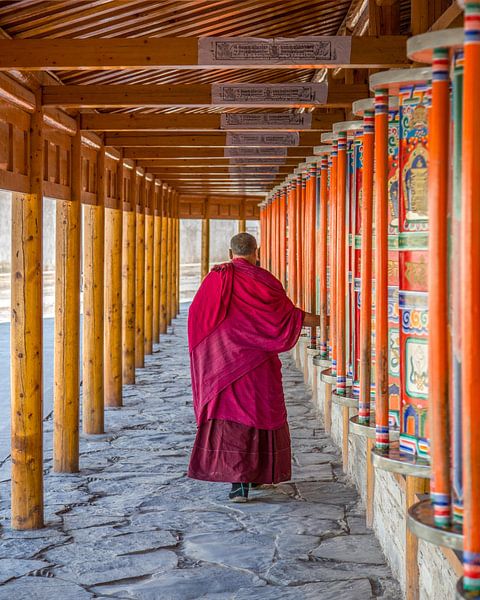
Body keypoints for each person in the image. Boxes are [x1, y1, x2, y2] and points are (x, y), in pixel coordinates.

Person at [187, 232, 320, 502]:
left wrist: (217, 352)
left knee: (233, 419)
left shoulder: (215, 280)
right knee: (259, 414)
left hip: (225, 364)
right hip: (258, 363)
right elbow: (282, 316)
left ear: (229, 253)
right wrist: (327, 320)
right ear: (256, 252)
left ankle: (239, 483)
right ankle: (258, 474)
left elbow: (196, 317)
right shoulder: (265, 281)